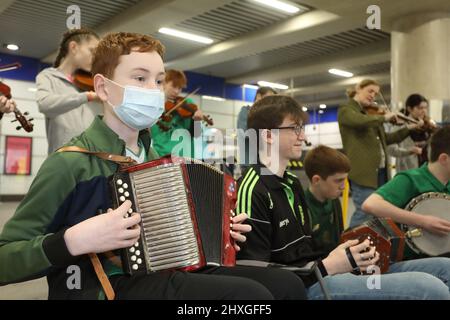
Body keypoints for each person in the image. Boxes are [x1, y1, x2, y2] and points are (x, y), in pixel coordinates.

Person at [0, 32, 306, 300]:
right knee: (247, 297)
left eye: (158, 80)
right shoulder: (70, 163)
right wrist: (72, 240)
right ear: (103, 88)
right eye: (139, 78)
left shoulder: (159, 157)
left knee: (286, 285)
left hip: (167, 273)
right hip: (105, 287)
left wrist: (221, 229)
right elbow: (5, 258)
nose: (153, 90)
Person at [236, 95, 450, 300]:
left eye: (302, 128)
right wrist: (326, 266)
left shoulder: (291, 182)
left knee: (444, 268)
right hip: (306, 286)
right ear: (268, 135)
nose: (303, 136)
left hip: (319, 272)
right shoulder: (252, 189)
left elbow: (306, 252)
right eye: (294, 129)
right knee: (429, 288)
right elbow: (257, 278)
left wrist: (346, 254)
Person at [338, 79, 424, 228]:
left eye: (376, 93)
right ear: (358, 88)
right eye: (370, 91)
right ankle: (349, 243)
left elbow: (388, 138)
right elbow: (359, 121)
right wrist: (384, 118)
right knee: (364, 211)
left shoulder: (370, 115)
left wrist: (408, 128)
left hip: (380, 172)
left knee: (378, 212)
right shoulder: (346, 110)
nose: (373, 96)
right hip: (363, 173)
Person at [363, 125, 450, 260]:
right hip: (411, 261)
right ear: (444, 159)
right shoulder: (411, 179)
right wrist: (422, 221)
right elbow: (371, 204)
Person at [36, 28, 102, 154]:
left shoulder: (94, 80)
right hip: (64, 158)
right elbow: (44, 104)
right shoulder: (48, 76)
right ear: (74, 47)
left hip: (96, 157)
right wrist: (87, 96)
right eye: (92, 51)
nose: (95, 57)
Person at [150, 69, 206, 159]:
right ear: (164, 83)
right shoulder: (153, 105)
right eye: (174, 86)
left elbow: (197, 134)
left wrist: (197, 122)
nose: (176, 91)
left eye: (179, 88)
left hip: (186, 156)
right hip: (162, 155)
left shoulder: (187, 104)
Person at [387, 94, 431, 172]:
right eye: (420, 108)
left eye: (425, 108)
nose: (424, 111)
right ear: (409, 109)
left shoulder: (428, 124)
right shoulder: (400, 126)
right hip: (408, 168)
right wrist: (409, 151)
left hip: (428, 168)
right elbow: (391, 149)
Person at [237, 86, 277, 169]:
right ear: (259, 96)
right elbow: (246, 135)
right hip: (249, 164)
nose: (270, 102)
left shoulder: (268, 116)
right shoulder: (245, 112)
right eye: (268, 98)